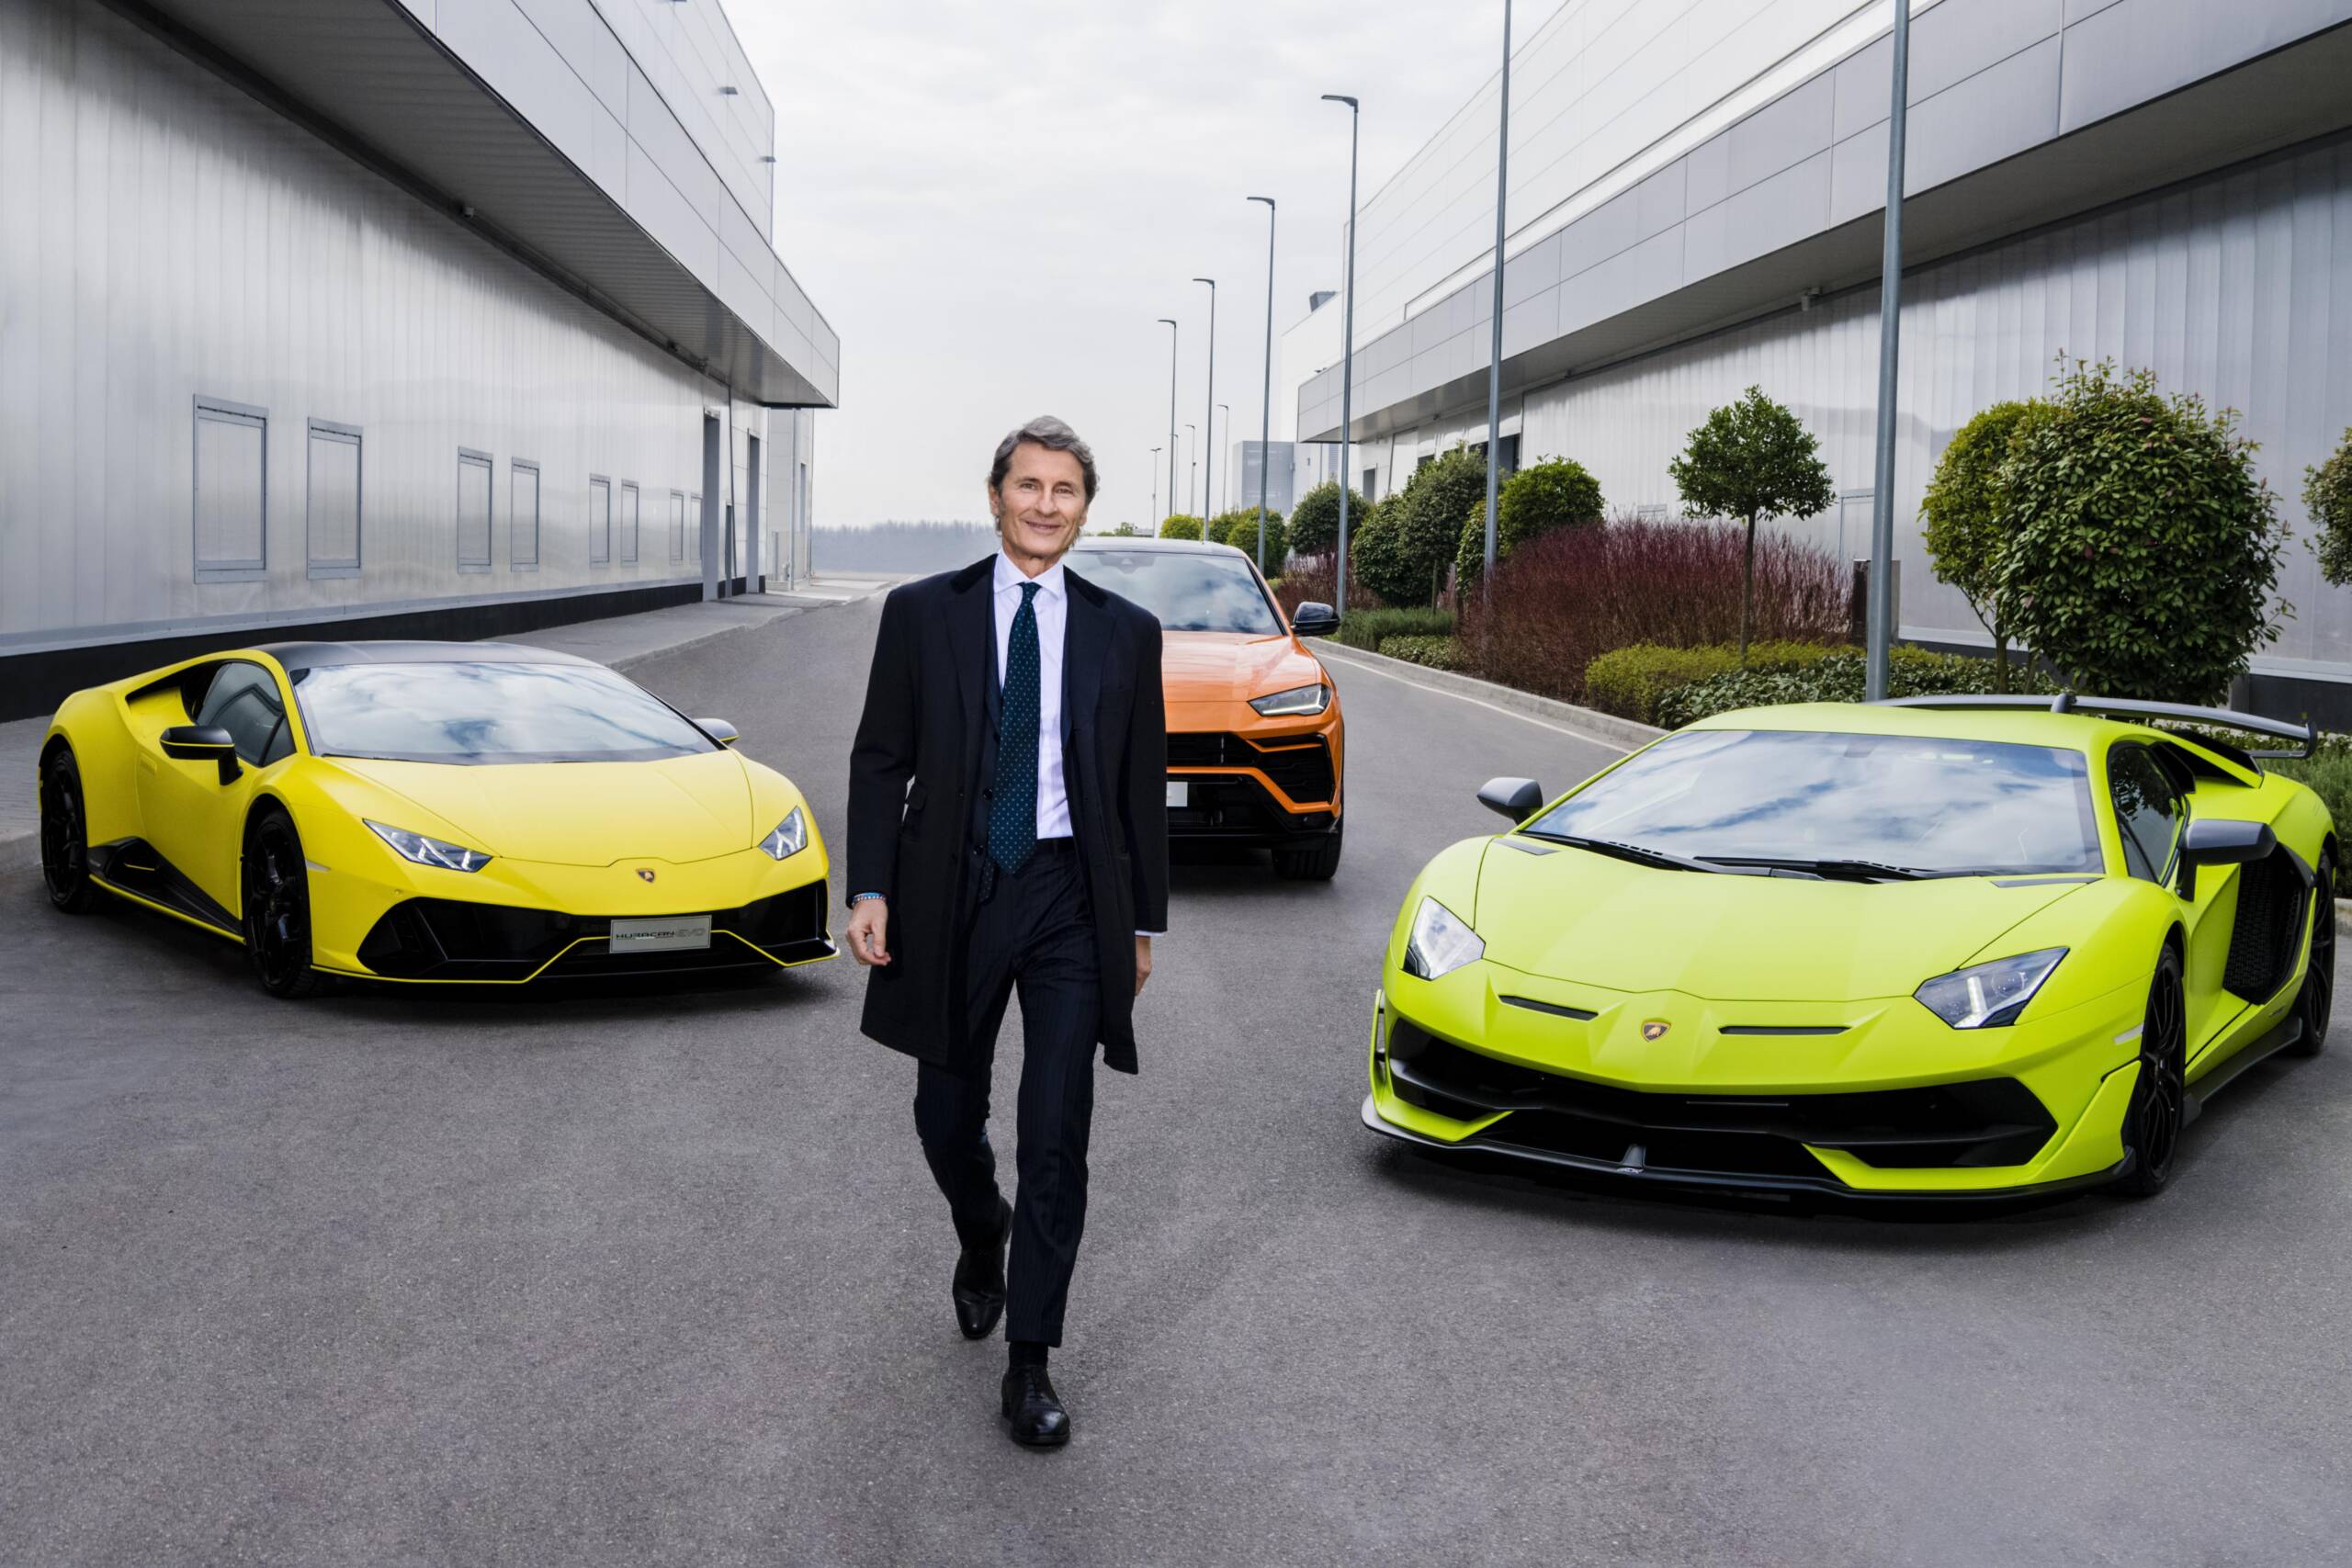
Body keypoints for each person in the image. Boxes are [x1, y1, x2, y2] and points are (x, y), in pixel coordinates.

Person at [843, 415, 1168, 1449]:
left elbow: (1137, 785)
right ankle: (981, 1231)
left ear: (1083, 507)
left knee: (1057, 1133)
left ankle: (1030, 1362)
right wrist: (872, 889)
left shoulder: (1125, 630)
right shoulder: (920, 614)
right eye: (1026, 486)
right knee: (945, 1115)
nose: (1043, 504)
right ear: (995, 499)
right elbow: (879, 757)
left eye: (1063, 489)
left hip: (1072, 896)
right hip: (955, 888)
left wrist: (1143, 923)